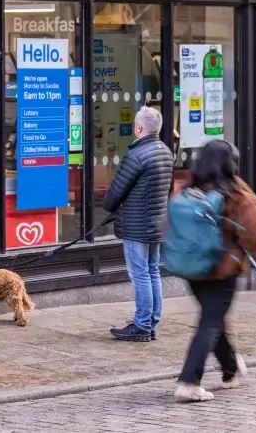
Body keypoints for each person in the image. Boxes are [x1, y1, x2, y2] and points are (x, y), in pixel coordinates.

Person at [174, 140, 256, 402]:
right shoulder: (236, 194)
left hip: (191, 267)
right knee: (211, 321)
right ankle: (189, 381)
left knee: (213, 318)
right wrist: (238, 251)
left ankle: (231, 369)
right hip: (221, 268)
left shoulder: (187, 188)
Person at [104, 106, 174, 342]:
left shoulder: (137, 155)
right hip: (156, 222)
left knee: (140, 274)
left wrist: (109, 206)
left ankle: (142, 325)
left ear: (139, 127)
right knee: (153, 271)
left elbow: (115, 192)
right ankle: (151, 322)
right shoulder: (165, 151)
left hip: (137, 224)